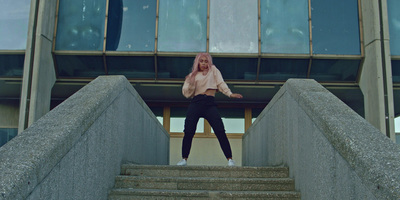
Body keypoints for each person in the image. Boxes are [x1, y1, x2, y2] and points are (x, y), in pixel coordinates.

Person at [177, 53, 243, 166]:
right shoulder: (192, 75)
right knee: (188, 131)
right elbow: (186, 93)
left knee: (220, 130)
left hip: (209, 103)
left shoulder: (213, 70)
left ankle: (230, 159)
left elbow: (221, 83)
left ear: (209, 62)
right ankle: (184, 159)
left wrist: (230, 94)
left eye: (206, 61)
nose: (203, 63)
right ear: (197, 62)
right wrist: (191, 83)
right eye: (201, 61)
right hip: (196, 103)